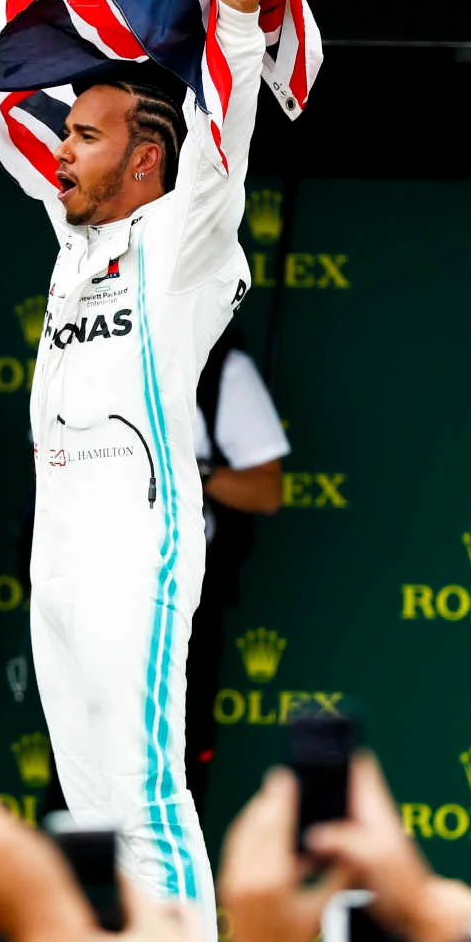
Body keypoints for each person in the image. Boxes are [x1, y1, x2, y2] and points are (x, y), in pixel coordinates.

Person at [0, 0, 292, 942]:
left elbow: (225, 129)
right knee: (91, 809)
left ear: (145, 157)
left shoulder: (183, 235)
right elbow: (4, 108)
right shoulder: (78, 234)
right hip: (55, 552)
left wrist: (234, 18)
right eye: (66, 135)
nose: (61, 145)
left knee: (148, 801)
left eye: (86, 136)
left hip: (134, 546)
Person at [189, 332, 288, 811]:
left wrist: (186, 470)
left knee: (178, 759)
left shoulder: (220, 369)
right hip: (88, 591)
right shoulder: (80, 350)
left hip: (183, 601)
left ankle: (167, 887)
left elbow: (267, 492)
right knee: (79, 758)